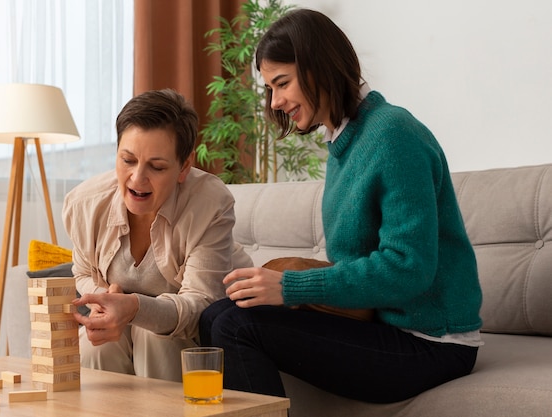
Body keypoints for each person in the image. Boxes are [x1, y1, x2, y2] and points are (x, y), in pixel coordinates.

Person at [199, 9, 483, 404]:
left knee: (235, 326)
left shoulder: (393, 135)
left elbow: (409, 268)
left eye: (282, 84)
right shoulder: (343, 143)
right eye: (270, 89)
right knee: (214, 315)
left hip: (431, 341)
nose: (277, 101)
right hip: (381, 325)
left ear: (319, 67)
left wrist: (291, 287)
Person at [64, 89, 252, 382]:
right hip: (127, 327)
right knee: (93, 346)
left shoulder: (210, 203)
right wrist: (107, 300)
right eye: (127, 160)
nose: (137, 178)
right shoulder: (84, 204)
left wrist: (135, 309)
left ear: (184, 167)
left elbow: (201, 303)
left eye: (157, 166)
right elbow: (83, 272)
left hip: (188, 329)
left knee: (154, 338)